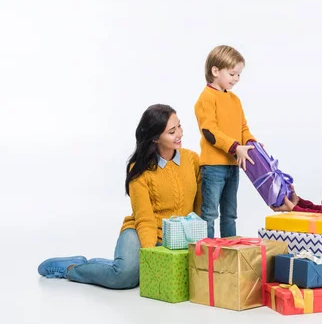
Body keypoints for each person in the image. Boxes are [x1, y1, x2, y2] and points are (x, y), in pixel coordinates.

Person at [37, 104, 202, 289]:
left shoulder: (192, 160)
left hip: (178, 236)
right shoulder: (140, 169)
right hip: (140, 232)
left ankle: (112, 263)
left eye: (179, 126)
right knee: (124, 277)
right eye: (172, 131)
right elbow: (144, 218)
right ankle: (70, 268)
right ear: (155, 138)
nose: (179, 133)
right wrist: (152, 256)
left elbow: (198, 207)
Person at [194, 45, 259, 238]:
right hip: (213, 167)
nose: (236, 79)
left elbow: (243, 128)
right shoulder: (206, 98)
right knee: (210, 213)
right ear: (215, 71)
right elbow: (210, 132)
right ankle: (207, 256)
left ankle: (229, 256)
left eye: (239, 75)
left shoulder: (235, 100)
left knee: (230, 215)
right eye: (232, 74)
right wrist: (235, 147)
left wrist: (251, 144)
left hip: (233, 165)